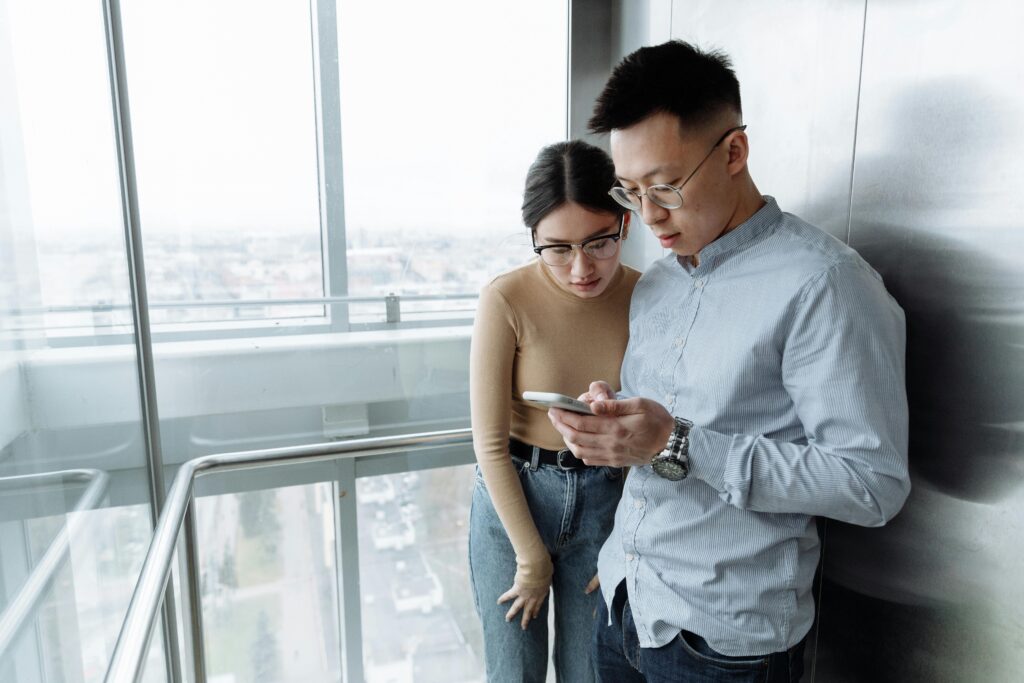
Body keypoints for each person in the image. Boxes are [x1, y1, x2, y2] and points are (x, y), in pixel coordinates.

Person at [547, 41, 911, 682]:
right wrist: (613, 422)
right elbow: (663, 430)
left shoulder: (825, 284)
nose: (649, 216)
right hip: (625, 604)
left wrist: (677, 442)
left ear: (735, 152)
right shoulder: (658, 283)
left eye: (665, 187)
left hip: (723, 647)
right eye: (630, 192)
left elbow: (871, 484)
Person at [468, 140, 641, 682]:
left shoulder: (649, 295)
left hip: (606, 502)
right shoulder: (506, 298)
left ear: (625, 222)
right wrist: (529, 556)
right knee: (512, 673)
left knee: (590, 672)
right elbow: (489, 444)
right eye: (558, 248)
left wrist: (626, 536)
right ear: (534, 238)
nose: (581, 267)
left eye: (599, 242)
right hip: (516, 499)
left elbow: (654, 427)